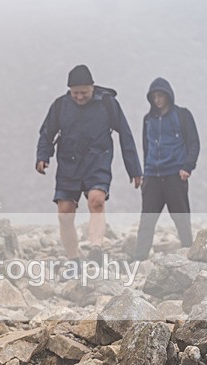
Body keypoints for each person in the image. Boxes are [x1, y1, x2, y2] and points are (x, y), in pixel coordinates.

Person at [35, 65, 142, 276]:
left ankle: (96, 247)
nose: (80, 97)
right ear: (69, 90)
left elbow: (126, 135)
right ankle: (73, 260)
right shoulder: (60, 106)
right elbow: (47, 133)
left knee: (96, 201)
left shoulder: (107, 103)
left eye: (84, 92)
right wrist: (42, 156)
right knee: (65, 211)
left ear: (93, 87)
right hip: (68, 163)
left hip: (97, 160)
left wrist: (134, 169)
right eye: (75, 93)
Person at [134, 78, 200, 261]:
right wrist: (145, 173)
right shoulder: (147, 120)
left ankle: (189, 252)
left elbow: (194, 143)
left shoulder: (182, 115)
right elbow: (146, 147)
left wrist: (188, 167)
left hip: (175, 175)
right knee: (147, 220)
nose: (157, 100)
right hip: (152, 176)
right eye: (154, 96)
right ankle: (139, 257)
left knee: (181, 219)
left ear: (168, 96)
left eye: (160, 95)